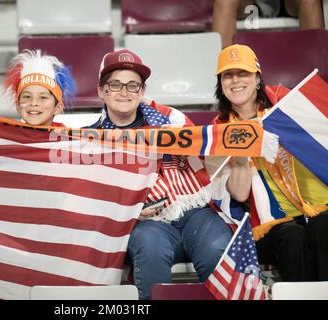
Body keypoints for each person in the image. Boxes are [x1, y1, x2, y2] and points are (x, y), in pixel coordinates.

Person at [89, 49, 233, 299]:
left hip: (194, 212)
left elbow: (206, 160)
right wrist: (131, 210)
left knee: (216, 248)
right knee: (150, 248)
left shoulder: (172, 121)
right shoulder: (89, 140)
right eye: (115, 84)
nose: (125, 92)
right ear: (102, 90)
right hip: (144, 224)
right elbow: (91, 201)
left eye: (133, 85)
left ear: (142, 92)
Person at [209, 44, 328, 281]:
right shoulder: (219, 130)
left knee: (323, 226)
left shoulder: (284, 103)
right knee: (291, 236)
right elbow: (240, 195)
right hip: (269, 222)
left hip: (317, 204)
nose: (235, 81)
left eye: (243, 73)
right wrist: (241, 162)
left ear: (257, 78)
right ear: (221, 84)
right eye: (228, 75)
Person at [3, 50, 75, 127]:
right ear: (17, 105)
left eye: (43, 97)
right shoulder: (4, 137)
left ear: (57, 108)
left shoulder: (73, 138)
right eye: (27, 96)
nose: (34, 103)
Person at [212, 0, 325, 48]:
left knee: (310, 1)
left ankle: (316, 78)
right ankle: (224, 73)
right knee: (224, 1)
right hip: (247, 4)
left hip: (288, 3)